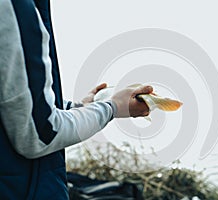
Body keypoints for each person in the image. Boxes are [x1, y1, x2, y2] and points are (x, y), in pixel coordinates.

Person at [0, 0, 152, 199]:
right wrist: (112, 108)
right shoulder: (15, 8)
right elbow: (40, 136)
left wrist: (80, 107)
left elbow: (14, 104)